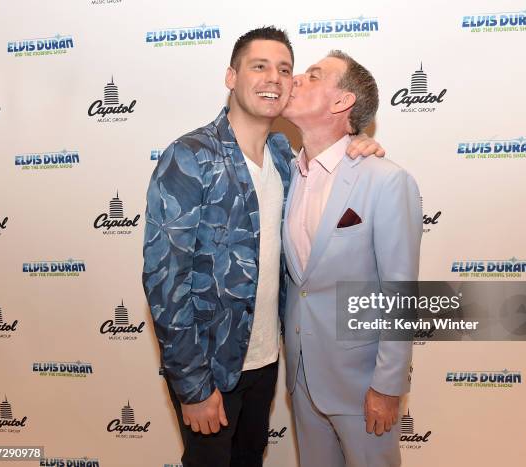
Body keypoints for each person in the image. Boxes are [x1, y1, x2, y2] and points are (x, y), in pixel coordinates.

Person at [142, 28, 384, 467]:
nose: (274, 77)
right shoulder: (190, 156)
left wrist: (358, 143)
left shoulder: (284, 158)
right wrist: (192, 386)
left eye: (285, 69)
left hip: (267, 363)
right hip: (211, 370)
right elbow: (164, 282)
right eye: (259, 66)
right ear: (231, 77)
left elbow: (328, 171)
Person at [281, 50, 422, 467]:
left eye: (314, 75)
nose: (297, 79)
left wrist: (387, 386)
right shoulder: (286, 171)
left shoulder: (385, 180)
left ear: (342, 102)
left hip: (362, 386)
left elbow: (400, 292)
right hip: (303, 378)